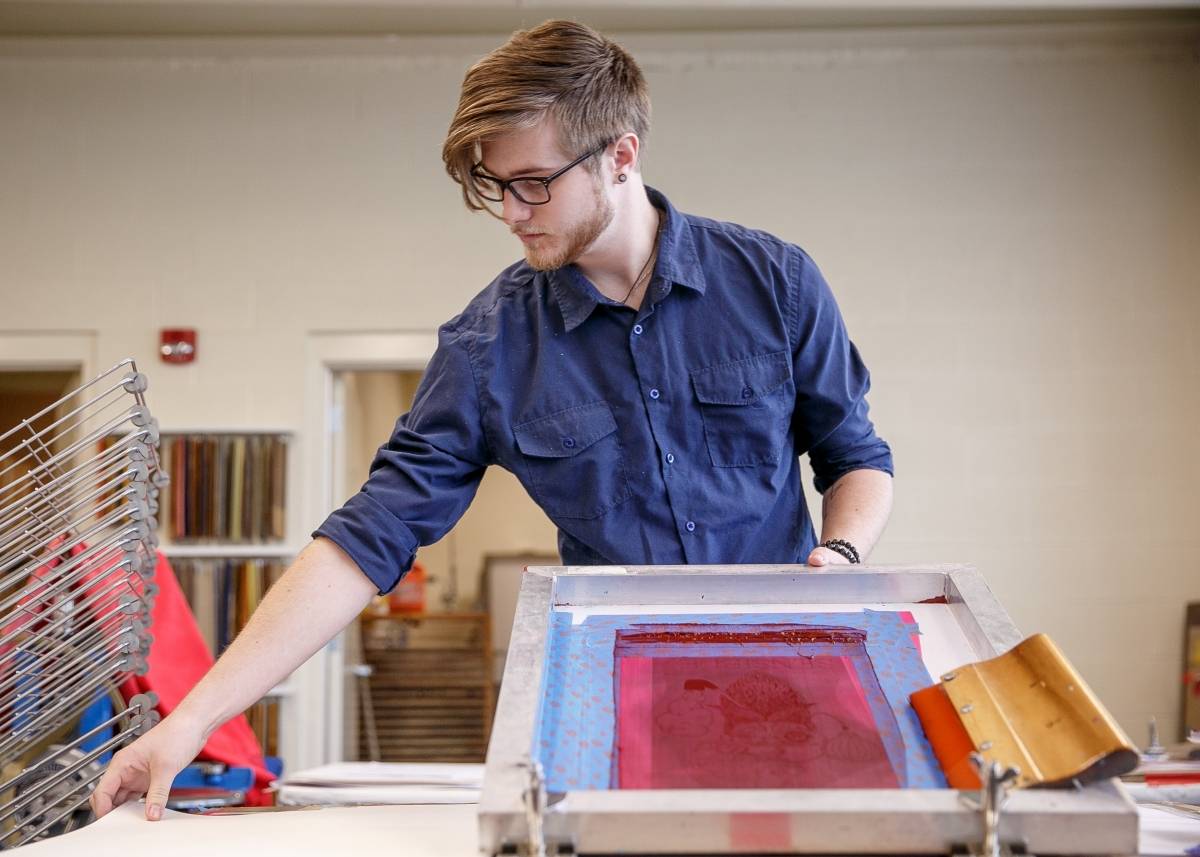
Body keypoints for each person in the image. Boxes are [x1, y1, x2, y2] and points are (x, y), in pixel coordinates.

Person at [90, 19, 893, 822]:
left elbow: (854, 454)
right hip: (614, 708)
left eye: (534, 181)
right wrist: (192, 718)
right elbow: (369, 535)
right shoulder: (490, 346)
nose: (511, 211)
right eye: (494, 186)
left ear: (620, 155)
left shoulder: (774, 283)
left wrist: (842, 551)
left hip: (794, 677)